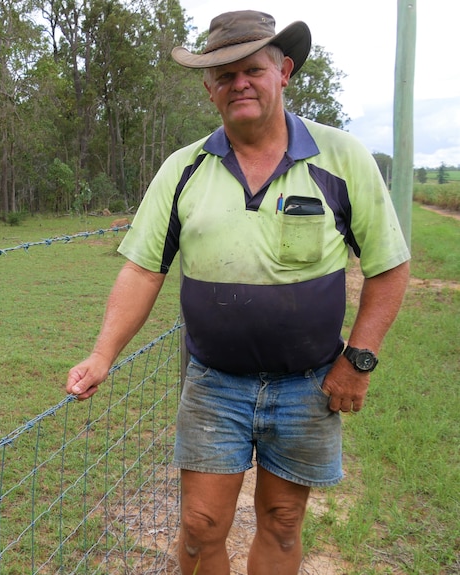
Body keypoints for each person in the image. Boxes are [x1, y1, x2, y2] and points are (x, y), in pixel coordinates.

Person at [65, 10, 410, 575]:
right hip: (213, 386)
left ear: (285, 73)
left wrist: (359, 360)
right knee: (200, 529)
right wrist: (103, 355)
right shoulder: (183, 169)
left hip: (308, 385)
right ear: (209, 89)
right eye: (224, 76)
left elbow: (389, 268)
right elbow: (143, 271)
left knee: (281, 520)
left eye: (253, 69)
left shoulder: (342, 158)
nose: (239, 83)